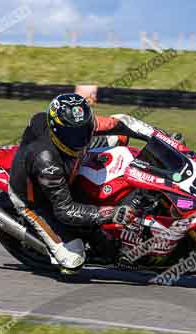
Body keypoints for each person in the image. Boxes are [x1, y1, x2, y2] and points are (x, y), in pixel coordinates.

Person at [8, 93, 158, 274]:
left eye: (83, 129)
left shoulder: (80, 129)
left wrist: (161, 139)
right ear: (56, 130)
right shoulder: (46, 161)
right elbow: (65, 211)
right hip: (35, 200)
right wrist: (113, 214)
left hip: (71, 166)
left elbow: (122, 123)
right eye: (71, 133)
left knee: (119, 136)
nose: (79, 137)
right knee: (73, 261)